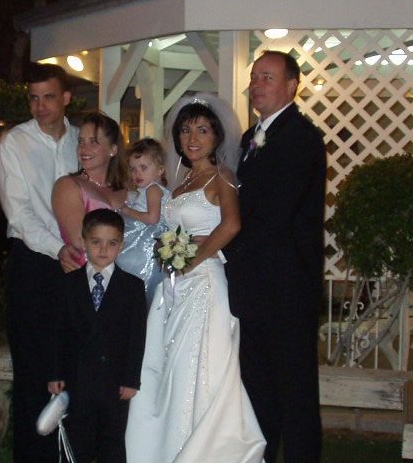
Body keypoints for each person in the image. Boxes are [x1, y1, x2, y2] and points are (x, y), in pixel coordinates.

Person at [126, 94, 266, 463]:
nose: (193, 138)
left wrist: (192, 258)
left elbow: (231, 225)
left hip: (204, 282)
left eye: (202, 130)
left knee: (201, 366)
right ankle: (170, 447)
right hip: (176, 285)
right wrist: (172, 253)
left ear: (217, 136)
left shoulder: (222, 177)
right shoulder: (182, 181)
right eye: (186, 130)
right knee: (172, 367)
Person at [225, 51, 327, 463]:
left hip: (287, 290)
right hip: (254, 291)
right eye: (254, 77)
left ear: (291, 87)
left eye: (267, 77)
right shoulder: (251, 137)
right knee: (259, 391)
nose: (256, 85)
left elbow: (274, 214)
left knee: (295, 395)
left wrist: (221, 244)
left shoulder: (301, 137)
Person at [0, 63, 80, 462]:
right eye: (33, 98)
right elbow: (19, 212)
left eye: (48, 97)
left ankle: (69, 453)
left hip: (78, 263)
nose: (40, 106)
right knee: (33, 370)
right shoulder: (15, 142)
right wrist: (57, 248)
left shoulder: (81, 140)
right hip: (33, 264)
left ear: (66, 98)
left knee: (72, 364)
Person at [48, 208, 147, 463]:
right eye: (96, 242)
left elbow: (136, 337)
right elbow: (59, 333)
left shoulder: (132, 287)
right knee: (79, 441)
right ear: (83, 242)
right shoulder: (68, 284)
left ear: (121, 245)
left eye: (111, 243)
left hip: (114, 381)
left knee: (112, 443)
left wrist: (131, 380)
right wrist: (56, 373)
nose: (104, 249)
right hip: (78, 378)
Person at [52, 112, 128, 269]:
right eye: (81, 141)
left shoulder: (128, 188)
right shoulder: (68, 186)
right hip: (86, 276)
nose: (84, 149)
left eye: (93, 142)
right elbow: (80, 241)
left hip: (132, 274)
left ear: (113, 149)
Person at [116, 138, 170, 305]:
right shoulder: (146, 189)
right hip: (142, 232)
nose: (137, 174)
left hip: (146, 237)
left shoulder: (153, 189)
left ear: (160, 169)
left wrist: (128, 211)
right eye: (133, 169)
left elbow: (153, 218)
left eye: (143, 168)